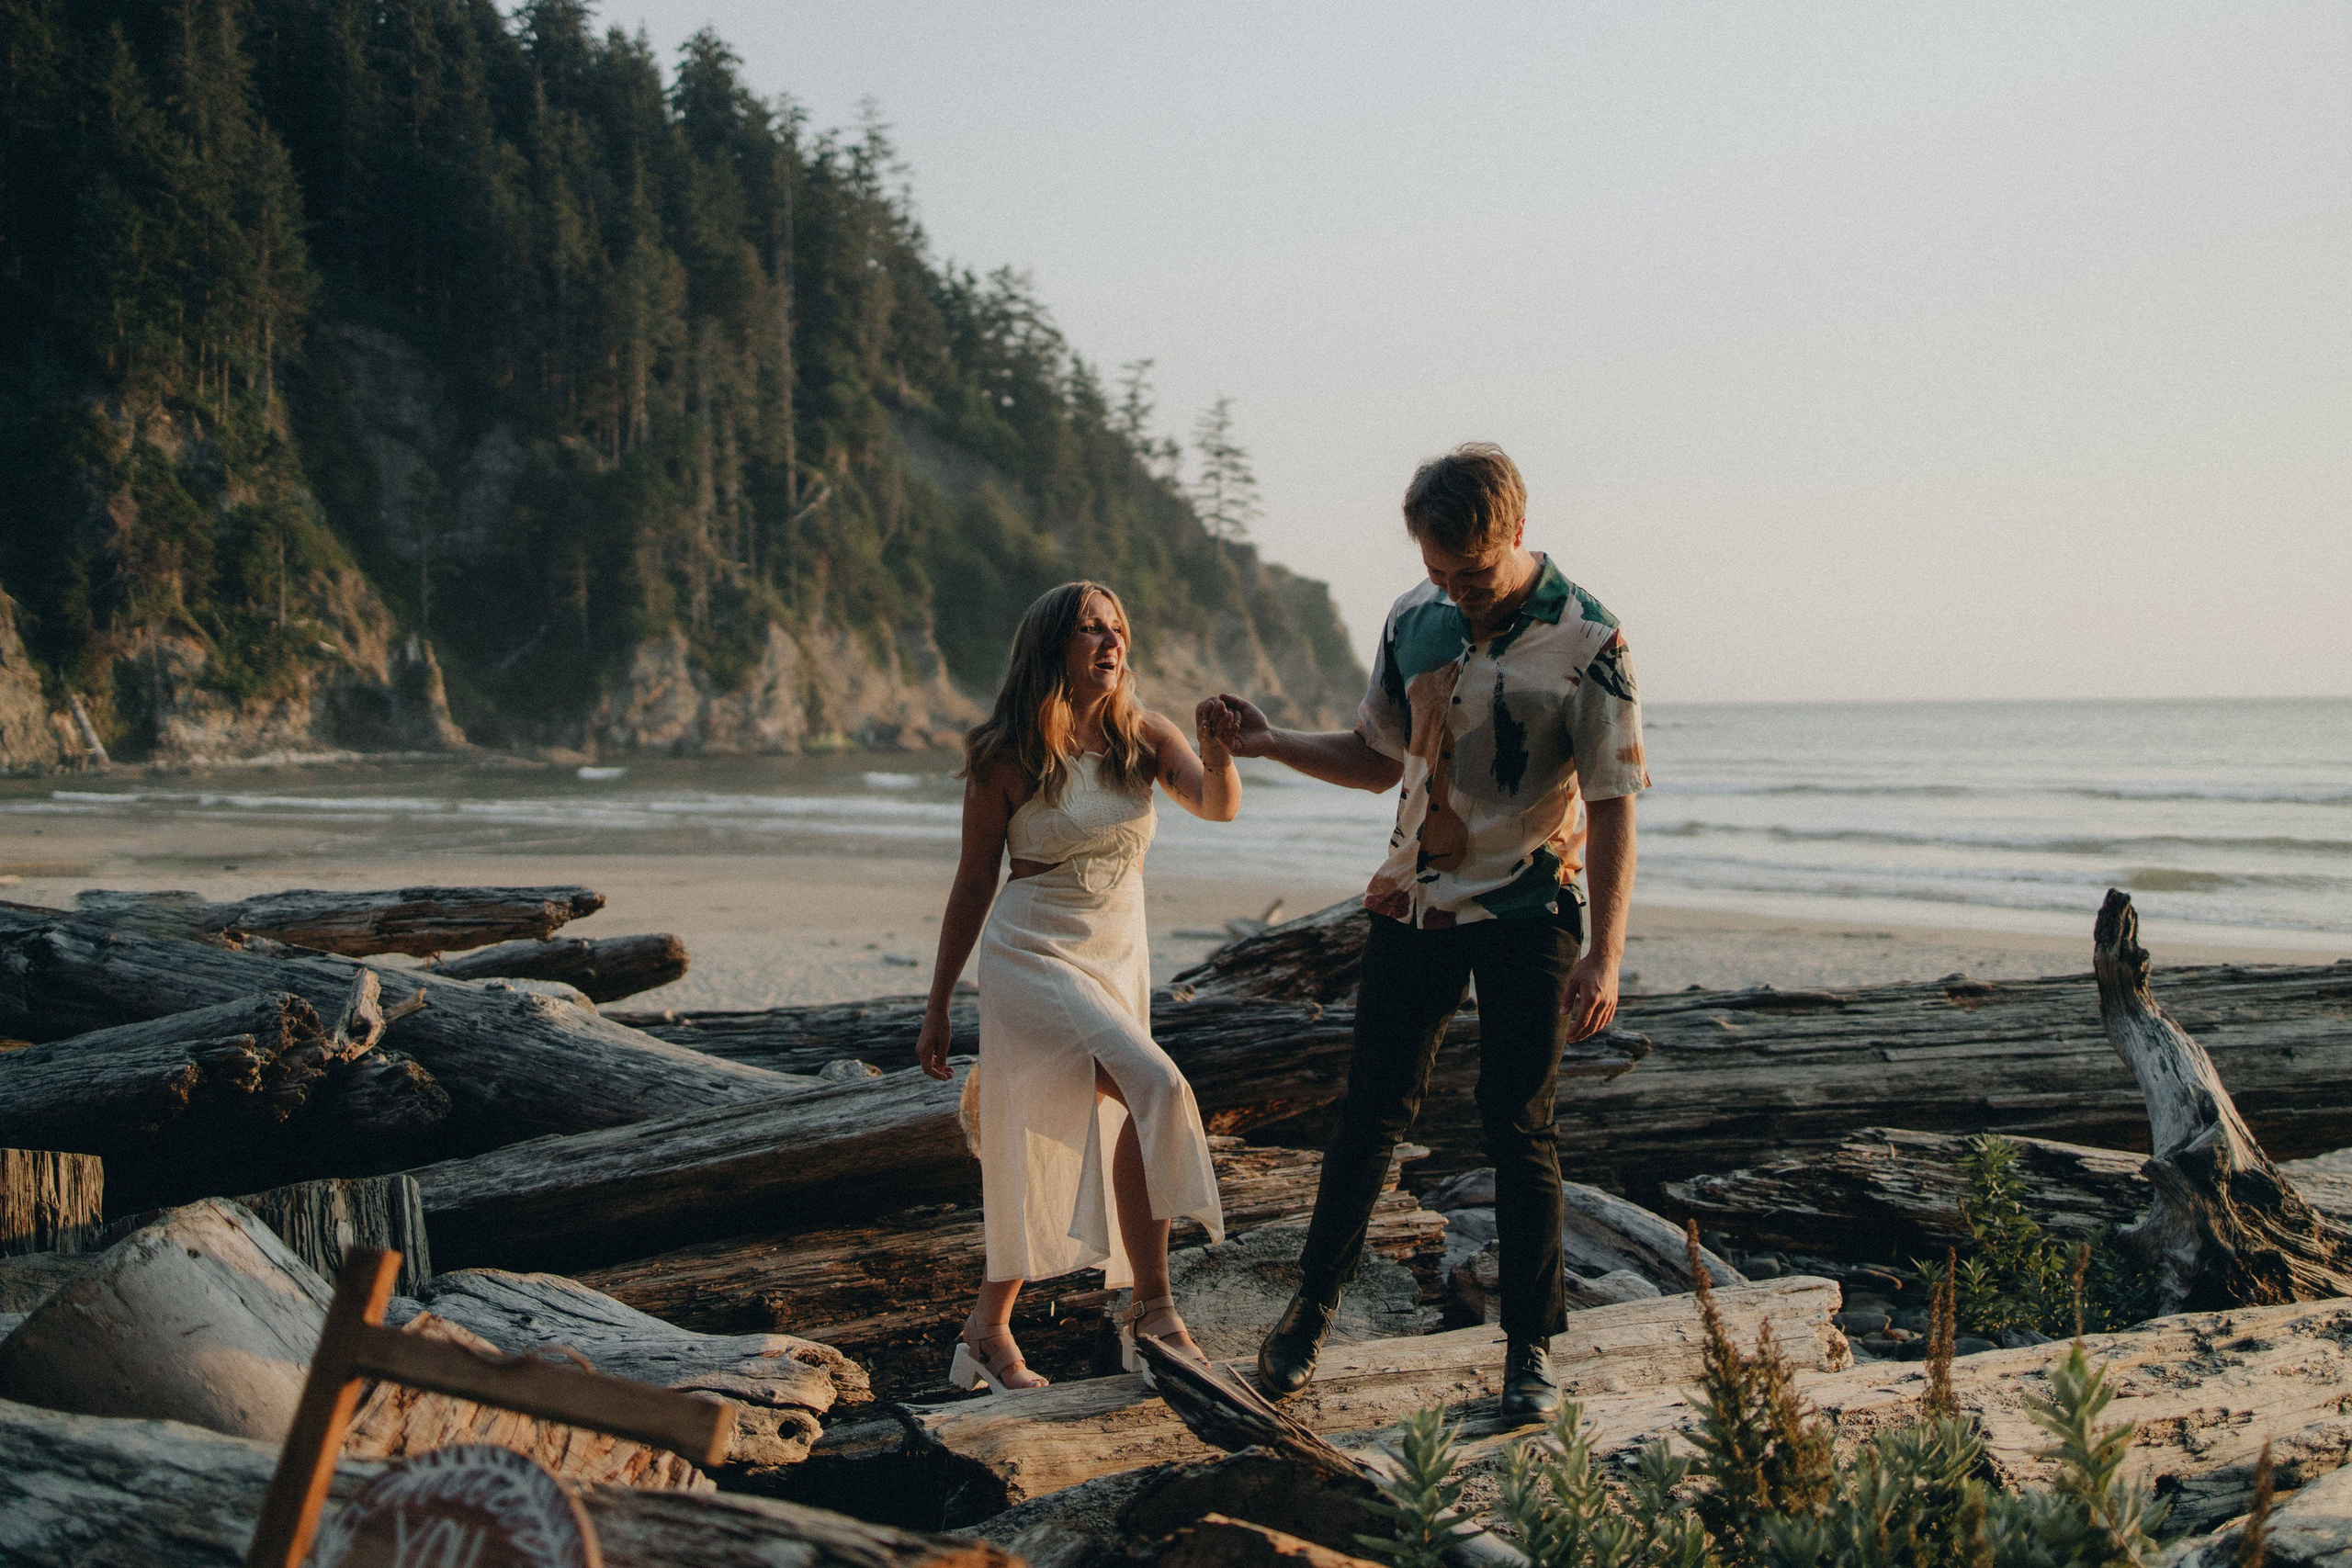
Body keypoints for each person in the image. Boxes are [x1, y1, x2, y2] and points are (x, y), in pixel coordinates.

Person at [1219, 443, 1648, 1423]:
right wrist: (1269, 740)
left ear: (1517, 535)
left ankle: (1529, 1350)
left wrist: (1606, 955)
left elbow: (1617, 800)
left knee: (1517, 1125)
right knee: (1368, 1118)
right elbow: (1377, 760)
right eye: (1438, 571)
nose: (1457, 593)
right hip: (1413, 905)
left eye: (1474, 574)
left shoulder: (1591, 640)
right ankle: (1306, 1318)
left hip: (1529, 911)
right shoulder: (1411, 620)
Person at [917, 581, 1242, 1393]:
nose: (1111, 642)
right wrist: (936, 1007)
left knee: (1075, 1125)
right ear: (1052, 646)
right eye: (1091, 629)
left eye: (1119, 628)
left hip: (1114, 952)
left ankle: (987, 1329)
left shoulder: (1145, 735)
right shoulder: (1008, 753)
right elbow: (970, 885)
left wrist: (1221, 749)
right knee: (1159, 1085)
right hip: (1032, 953)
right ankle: (1155, 1311)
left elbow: (1217, 804)